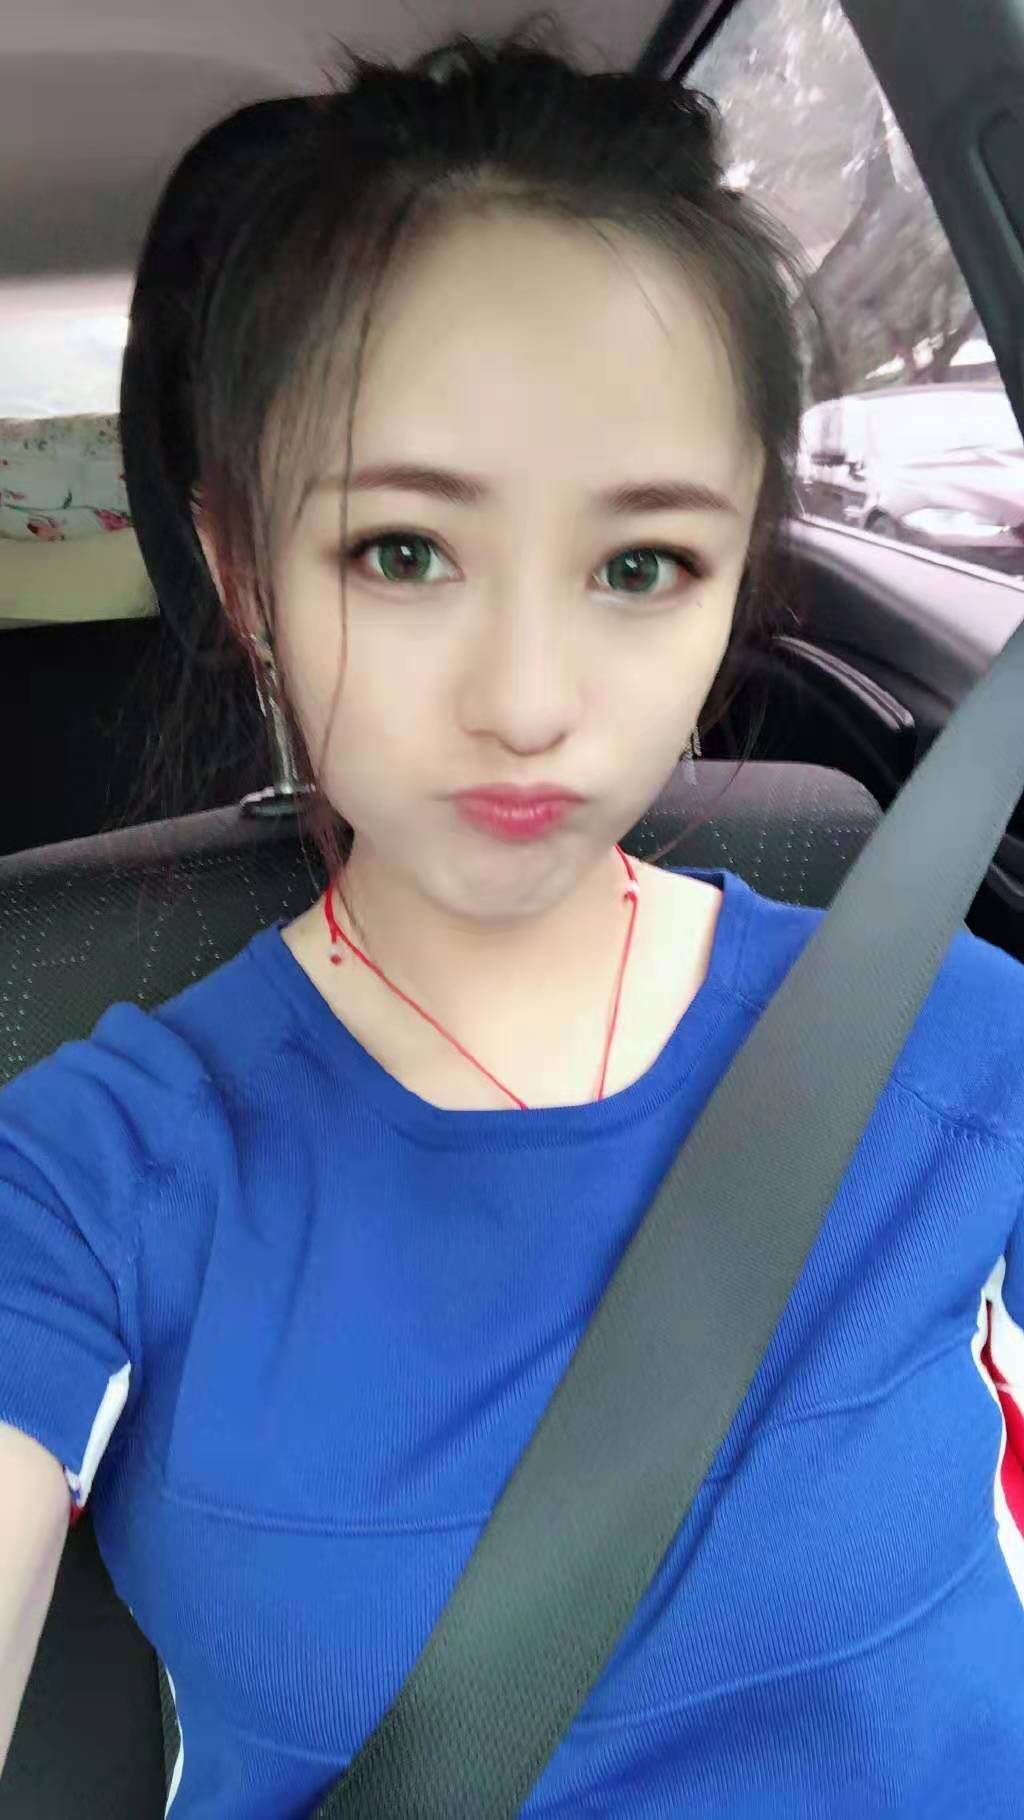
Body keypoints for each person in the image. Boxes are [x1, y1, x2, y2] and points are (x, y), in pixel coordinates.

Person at [1, 28, 1023, 1820]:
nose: (532, 702)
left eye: (641, 565)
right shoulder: (95, 1177)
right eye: (402, 552)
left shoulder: (951, 1040)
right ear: (244, 571)